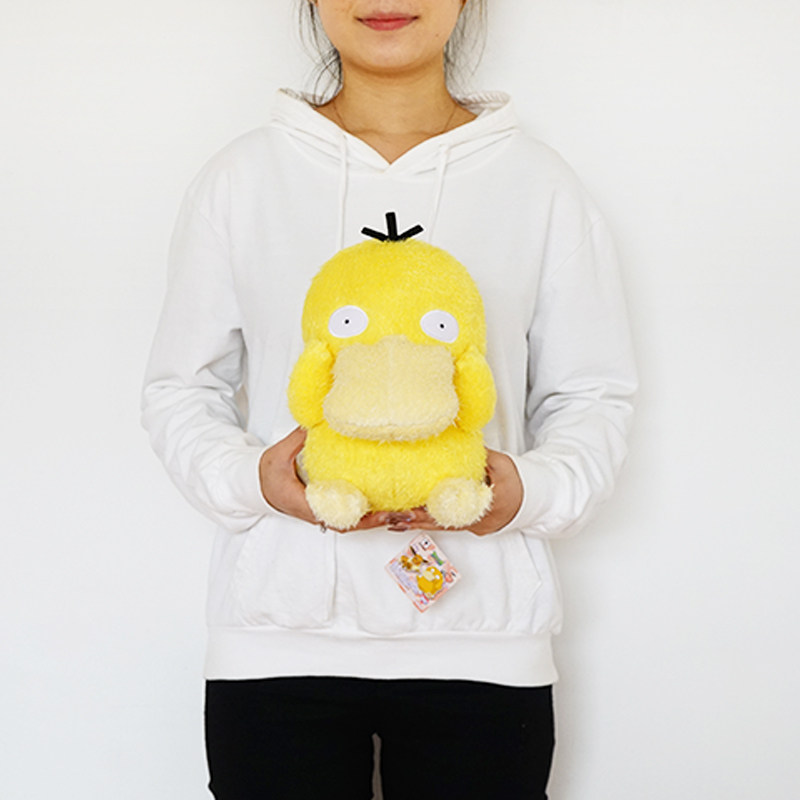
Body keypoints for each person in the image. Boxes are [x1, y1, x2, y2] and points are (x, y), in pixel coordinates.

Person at [141, 1, 637, 797]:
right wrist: (251, 482)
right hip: (277, 640)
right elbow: (180, 387)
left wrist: (529, 491)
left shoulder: (539, 184)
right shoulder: (242, 178)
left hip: (484, 645)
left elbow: (593, 394)